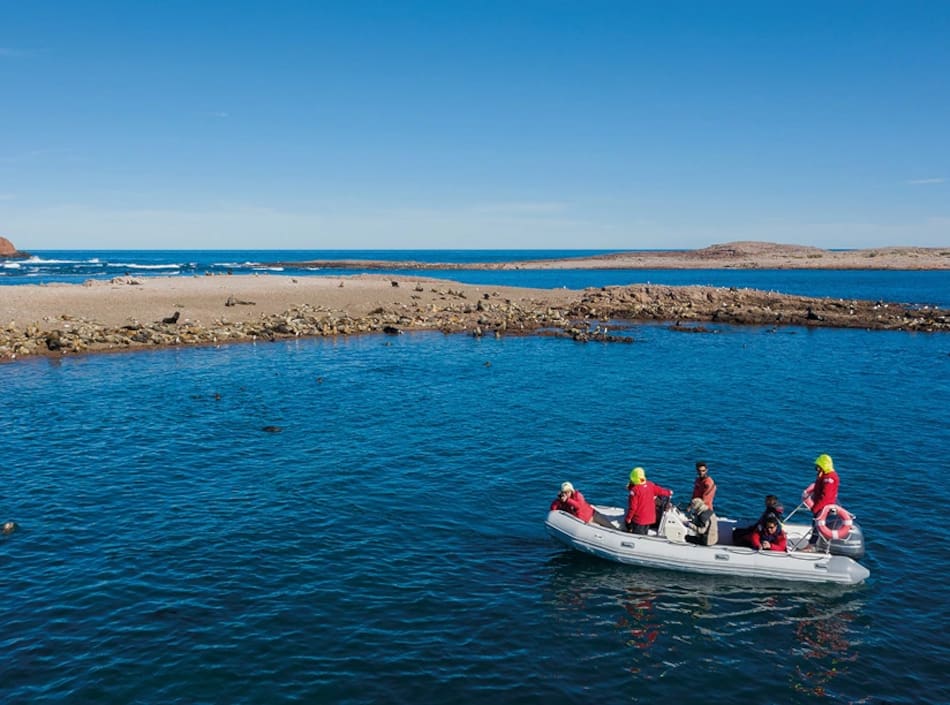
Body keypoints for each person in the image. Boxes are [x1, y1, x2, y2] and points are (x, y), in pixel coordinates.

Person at [804, 453, 840, 550]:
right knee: (816, 525)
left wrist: (816, 508)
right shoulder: (824, 476)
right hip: (822, 505)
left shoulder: (829, 478)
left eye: (818, 466)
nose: (816, 467)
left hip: (824, 507)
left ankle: (811, 546)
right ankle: (814, 544)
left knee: (817, 525)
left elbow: (826, 497)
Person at [624, 467, 672, 534]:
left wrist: (628, 519)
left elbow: (633, 508)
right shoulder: (651, 485)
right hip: (650, 519)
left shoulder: (634, 491)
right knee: (645, 533)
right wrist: (669, 492)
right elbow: (661, 491)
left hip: (639, 520)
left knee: (638, 536)